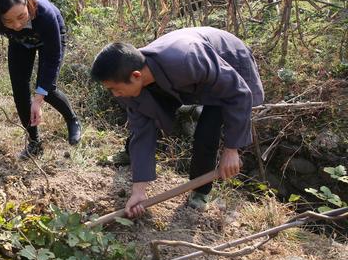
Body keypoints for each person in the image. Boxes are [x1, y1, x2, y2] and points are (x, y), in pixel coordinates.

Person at [90, 27, 264, 216]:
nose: (115, 95)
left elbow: (238, 92)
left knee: (206, 132)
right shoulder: (129, 79)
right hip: (192, 75)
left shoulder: (186, 58)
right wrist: (138, 191)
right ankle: (134, 152)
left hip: (229, 63)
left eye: (115, 89)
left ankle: (200, 191)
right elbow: (142, 131)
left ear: (136, 76)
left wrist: (232, 148)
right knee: (144, 112)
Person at [0, 0, 82, 158]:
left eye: (22, 16)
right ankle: (34, 142)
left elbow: (52, 59)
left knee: (48, 89)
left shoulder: (45, 14)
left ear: (27, 3)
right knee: (20, 90)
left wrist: (38, 99)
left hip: (49, 39)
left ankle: (72, 120)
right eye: (8, 21)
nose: (17, 24)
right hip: (20, 43)